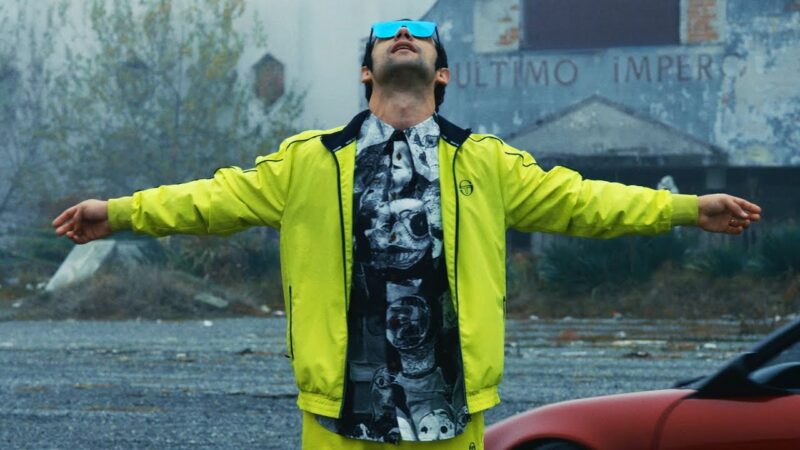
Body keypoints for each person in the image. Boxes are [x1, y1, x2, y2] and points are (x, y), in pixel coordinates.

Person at [53, 19, 762, 450]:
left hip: (448, 412)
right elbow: (213, 198)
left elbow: (583, 201)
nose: (403, 35)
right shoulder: (309, 162)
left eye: (419, 34)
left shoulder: (485, 162)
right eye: (388, 35)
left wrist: (684, 209)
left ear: (440, 71)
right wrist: (119, 212)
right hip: (341, 414)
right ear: (367, 71)